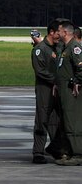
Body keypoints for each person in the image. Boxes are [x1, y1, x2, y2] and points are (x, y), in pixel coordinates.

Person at [31, 21, 63, 163]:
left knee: (56, 120)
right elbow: (40, 71)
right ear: (51, 32)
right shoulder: (40, 49)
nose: (60, 36)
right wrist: (56, 80)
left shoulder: (59, 47)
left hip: (58, 89)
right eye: (58, 33)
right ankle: (38, 152)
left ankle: (55, 148)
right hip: (45, 88)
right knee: (42, 119)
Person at [54, 21, 82, 166]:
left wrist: (77, 82)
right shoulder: (64, 48)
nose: (57, 33)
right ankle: (69, 151)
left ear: (65, 32)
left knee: (73, 122)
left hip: (72, 90)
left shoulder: (74, 47)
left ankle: (78, 154)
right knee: (66, 121)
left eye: (59, 31)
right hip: (63, 89)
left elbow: (81, 68)